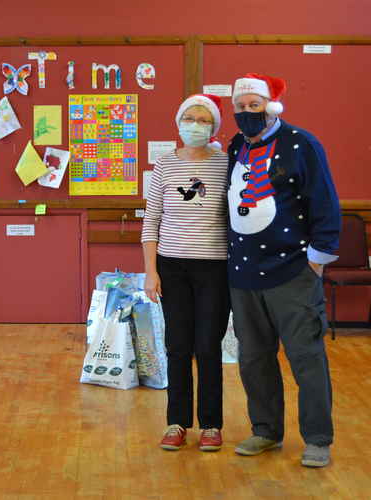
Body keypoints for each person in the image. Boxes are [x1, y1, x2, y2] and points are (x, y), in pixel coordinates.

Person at [226, 73, 340, 467]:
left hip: (293, 272)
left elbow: (325, 203)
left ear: (270, 106)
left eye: (253, 106)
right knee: (254, 359)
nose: (245, 113)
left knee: (306, 358)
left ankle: (318, 439)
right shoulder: (235, 146)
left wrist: (315, 262)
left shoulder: (301, 144)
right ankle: (265, 431)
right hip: (243, 275)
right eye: (239, 107)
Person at [142, 94, 231, 452]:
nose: (195, 124)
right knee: (177, 346)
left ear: (213, 127)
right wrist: (151, 271)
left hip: (215, 267)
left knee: (208, 346)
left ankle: (211, 424)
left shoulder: (226, 164)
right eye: (189, 118)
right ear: (178, 122)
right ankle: (176, 422)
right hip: (172, 266)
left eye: (203, 119)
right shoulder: (164, 165)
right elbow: (151, 221)